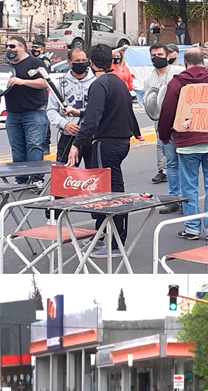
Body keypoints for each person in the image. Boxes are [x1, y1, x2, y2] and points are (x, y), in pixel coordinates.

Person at [67, 44, 142, 258]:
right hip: (120, 143)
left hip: (106, 144)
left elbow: (92, 121)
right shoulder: (118, 82)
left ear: (91, 63)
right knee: (113, 191)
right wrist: (136, 133)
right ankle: (104, 235)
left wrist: (77, 144)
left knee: (107, 195)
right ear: (111, 60)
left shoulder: (99, 84)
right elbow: (119, 110)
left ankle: (115, 242)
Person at [158, 47, 208, 241]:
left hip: (187, 140)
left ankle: (192, 227)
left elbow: (167, 110)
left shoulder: (177, 83)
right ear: (203, 61)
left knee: (189, 185)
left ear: (185, 62)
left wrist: (165, 135)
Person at [3, 37, 49, 186]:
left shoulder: (35, 63)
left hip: (34, 111)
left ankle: (37, 179)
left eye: (12, 46)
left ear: (22, 47)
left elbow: (45, 82)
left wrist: (22, 81)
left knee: (34, 146)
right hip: (13, 113)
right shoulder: (6, 67)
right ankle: (21, 179)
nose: (9, 49)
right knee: (17, 147)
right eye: (7, 46)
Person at [145, 43, 184, 189]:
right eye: (153, 56)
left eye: (160, 55)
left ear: (168, 56)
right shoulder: (149, 80)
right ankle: (163, 171)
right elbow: (149, 102)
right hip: (161, 121)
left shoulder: (180, 72)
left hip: (181, 119)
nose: (156, 58)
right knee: (165, 151)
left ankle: (184, 196)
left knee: (182, 158)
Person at [47, 47, 95, 165]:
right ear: (69, 62)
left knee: (95, 173)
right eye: (77, 61)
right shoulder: (60, 84)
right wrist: (65, 124)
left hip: (91, 136)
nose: (81, 64)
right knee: (66, 173)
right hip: (68, 135)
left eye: (84, 60)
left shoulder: (95, 82)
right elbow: (51, 110)